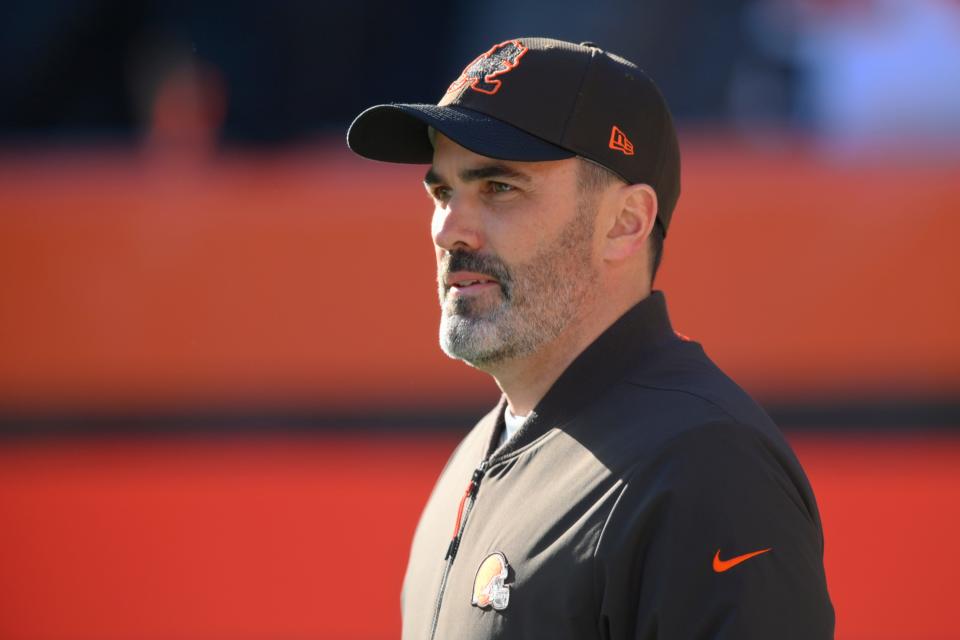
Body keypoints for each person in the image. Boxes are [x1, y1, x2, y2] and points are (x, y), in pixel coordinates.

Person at [346, 37, 834, 639]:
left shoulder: (706, 465)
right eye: (443, 192)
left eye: (499, 187)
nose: (449, 229)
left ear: (625, 223)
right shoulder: (478, 455)